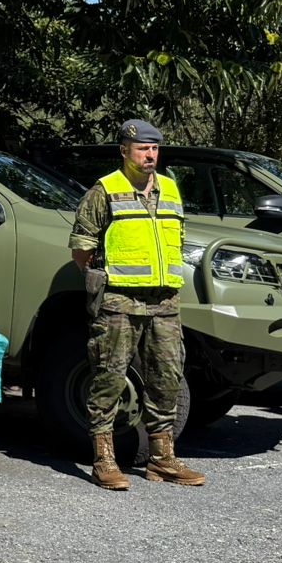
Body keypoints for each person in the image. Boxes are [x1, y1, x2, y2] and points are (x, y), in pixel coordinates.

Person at [67, 120, 203, 490]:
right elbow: (82, 248)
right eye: (142, 148)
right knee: (109, 377)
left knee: (168, 377)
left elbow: (178, 238)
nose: (150, 155)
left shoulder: (171, 189)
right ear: (124, 150)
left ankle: (162, 459)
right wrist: (106, 279)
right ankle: (104, 459)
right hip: (119, 301)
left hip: (165, 301)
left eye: (155, 149)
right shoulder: (104, 191)